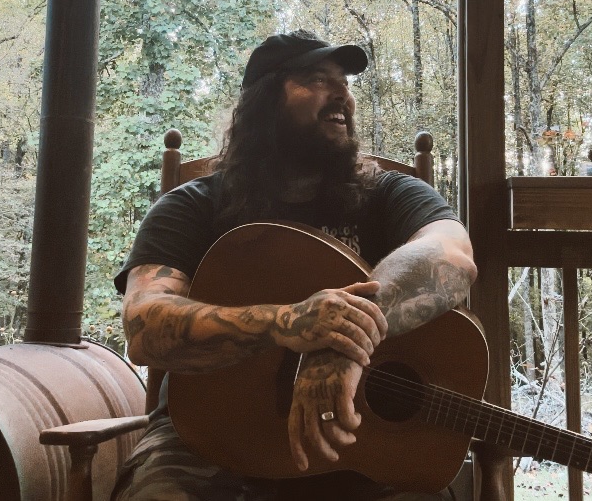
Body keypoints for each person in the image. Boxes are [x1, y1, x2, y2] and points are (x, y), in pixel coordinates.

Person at [113, 30, 478, 501]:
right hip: (206, 441)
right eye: (317, 79)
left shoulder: (388, 194)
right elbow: (144, 325)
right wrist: (287, 323)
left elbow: (452, 257)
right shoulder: (194, 206)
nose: (341, 93)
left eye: (344, 82)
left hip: (355, 449)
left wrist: (342, 343)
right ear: (264, 103)